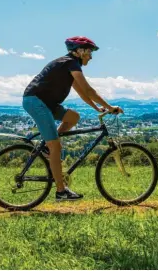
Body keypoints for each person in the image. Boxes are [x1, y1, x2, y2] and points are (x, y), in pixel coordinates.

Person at [22, 36, 123, 202]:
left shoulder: (69, 66)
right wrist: (110, 107)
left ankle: (47, 149)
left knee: (73, 117)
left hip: (46, 103)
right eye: (89, 52)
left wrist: (97, 108)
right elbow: (89, 90)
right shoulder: (70, 63)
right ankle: (61, 191)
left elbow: (82, 92)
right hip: (36, 101)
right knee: (56, 146)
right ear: (80, 51)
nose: (91, 56)